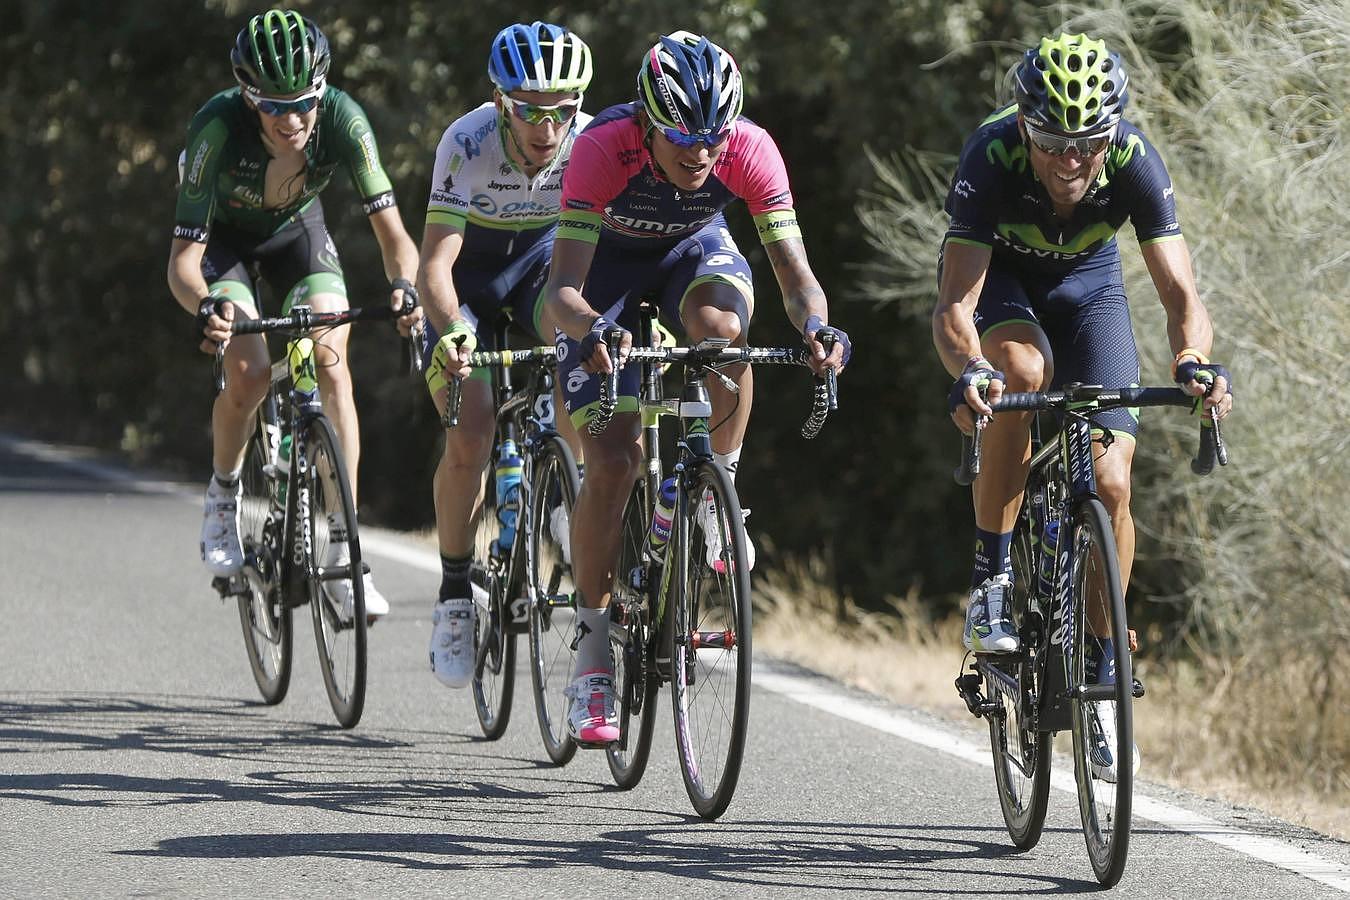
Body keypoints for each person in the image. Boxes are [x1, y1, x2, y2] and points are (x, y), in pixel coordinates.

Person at [934, 32, 1232, 777]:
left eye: (1089, 142)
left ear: (1112, 133)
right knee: (1018, 371)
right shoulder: (990, 154)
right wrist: (970, 369)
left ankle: (1101, 672)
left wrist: (1192, 360)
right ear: (1025, 126)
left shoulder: (1133, 159)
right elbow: (954, 303)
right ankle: (993, 580)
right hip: (1004, 287)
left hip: (1090, 293)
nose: (1072, 162)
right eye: (1053, 141)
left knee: (1110, 482)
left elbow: (1182, 295)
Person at [544, 31, 850, 745]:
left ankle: (721, 495)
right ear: (648, 123)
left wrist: (817, 328)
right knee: (613, 462)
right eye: (683, 135)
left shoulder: (750, 148)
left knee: (722, 333)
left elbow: (795, 275)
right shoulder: (601, 147)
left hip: (692, 251)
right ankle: (591, 656)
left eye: (713, 137)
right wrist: (591, 332)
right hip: (604, 275)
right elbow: (562, 287)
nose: (701, 153)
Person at [168, 8, 421, 619]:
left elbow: (394, 236)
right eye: (272, 105)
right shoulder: (215, 129)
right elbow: (182, 261)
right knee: (252, 373)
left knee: (333, 360)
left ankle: (343, 550)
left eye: (303, 102)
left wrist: (405, 287)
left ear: (322, 89)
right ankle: (225, 497)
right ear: (247, 96)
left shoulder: (343, 120)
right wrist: (205, 307)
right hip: (222, 245)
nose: (291, 119)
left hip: (295, 235)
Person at [419, 22, 594, 688]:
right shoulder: (465, 142)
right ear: (500, 102)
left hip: (537, 274)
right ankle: (456, 596)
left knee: (580, 356)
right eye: (529, 110)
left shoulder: (588, 145)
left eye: (562, 110)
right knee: (473, 429)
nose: (547, 127)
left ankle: (568, 491)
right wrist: (451, 329)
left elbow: (592, 266)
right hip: (464, 287)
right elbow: (434, 265)